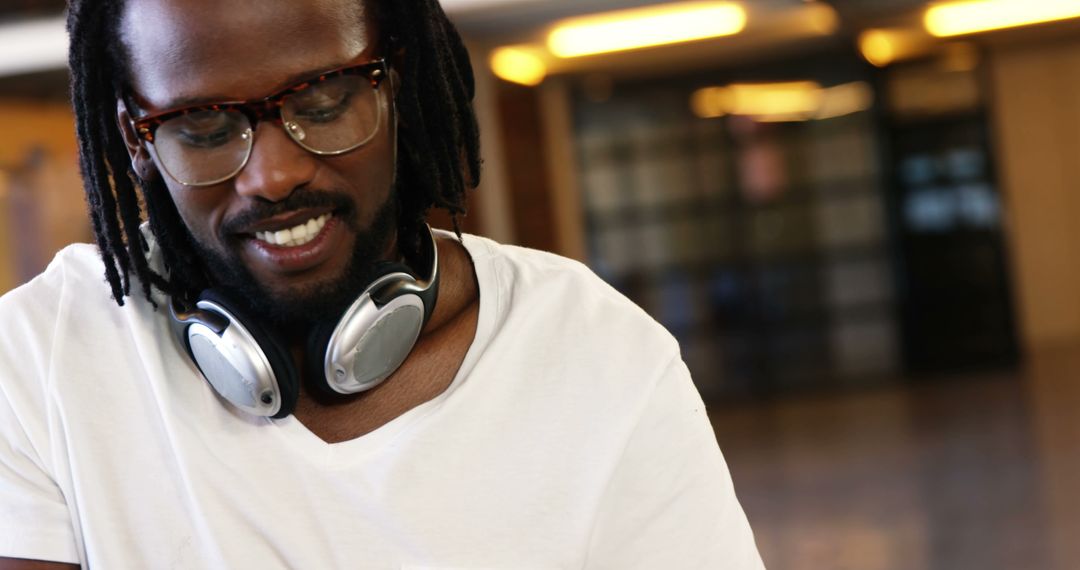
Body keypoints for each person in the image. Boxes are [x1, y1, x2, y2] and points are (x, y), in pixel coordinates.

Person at [0, 0, 764, 568]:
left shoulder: (599, 352)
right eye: (202, 128)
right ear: (136, 138)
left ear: (396, 83)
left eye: (324, 102)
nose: (274, 174)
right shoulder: (35, 366)